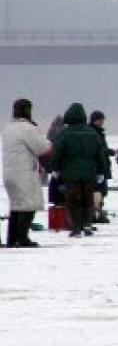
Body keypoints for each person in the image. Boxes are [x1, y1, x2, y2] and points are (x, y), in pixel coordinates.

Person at [2, 98, 53, 248]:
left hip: (9, 173)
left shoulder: (8, 128)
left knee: (16, 206)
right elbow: (43, 148)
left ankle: (12, 239)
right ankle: (22, 238)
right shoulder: (27, 128)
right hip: (24, 173)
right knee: (28, 206)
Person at [51, 103, 105, 237]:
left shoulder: (64, 134)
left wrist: (55, 168)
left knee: (73, 200)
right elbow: (100, 154)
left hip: (70, 173)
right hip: (89, 172)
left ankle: (76, 227)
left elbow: (58, 153)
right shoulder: (92, 133)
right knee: (88, 199)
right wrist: (101, 171)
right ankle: (87, 224)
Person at [88, 110, 114, 224]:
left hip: (102, 165)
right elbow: (97, 149)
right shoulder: (93, 133)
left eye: (102, 120)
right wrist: (107, 151)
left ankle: (97, 212)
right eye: (99, 120)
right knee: (97, 191)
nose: (101, 122)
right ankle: (95, 214)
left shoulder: (99, 132)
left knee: (102, 192)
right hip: (97, 166)